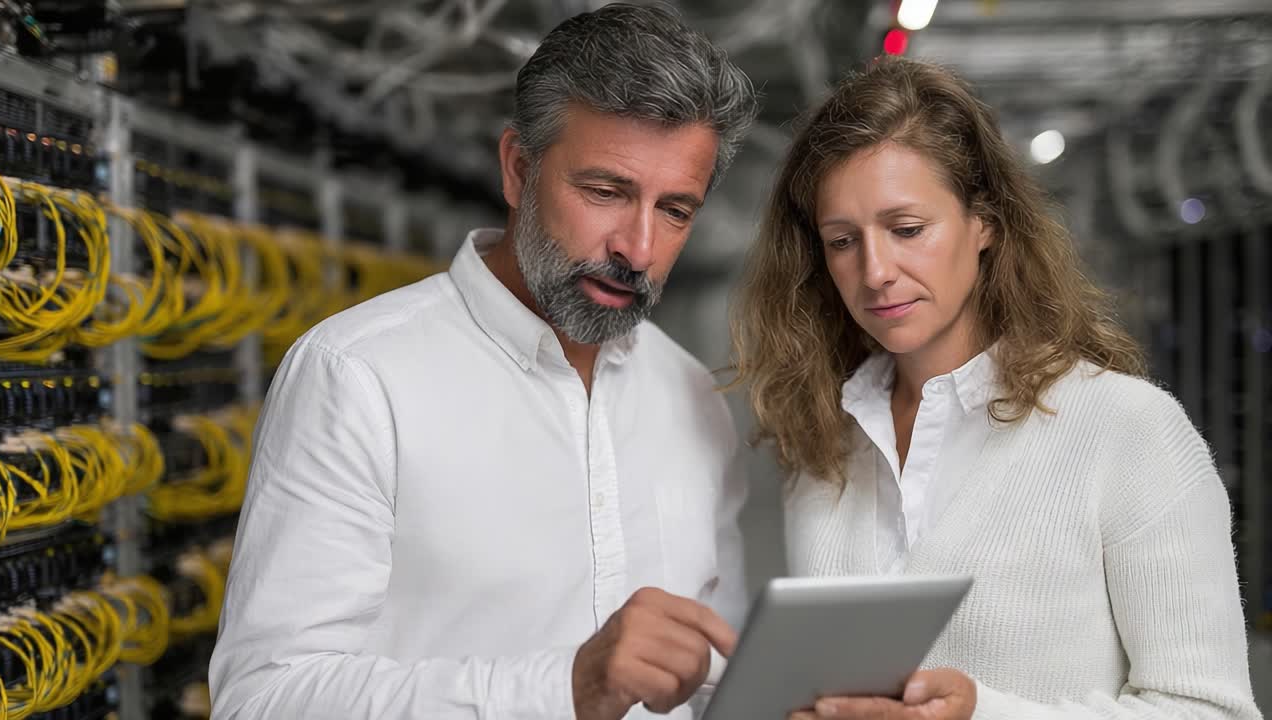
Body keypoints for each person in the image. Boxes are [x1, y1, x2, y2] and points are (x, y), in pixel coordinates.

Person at [208, 5, 759, 719]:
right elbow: (262, 699)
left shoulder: (692, 396)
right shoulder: (358, 379)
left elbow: (720, 673)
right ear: (518, 168)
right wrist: (564, 689)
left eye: (676, 210)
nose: (640, 248)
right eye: (606, 191)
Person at [730, 56, 1262, 720]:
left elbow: (1212, 712)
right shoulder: (823, 448)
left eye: (907, 230)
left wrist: (980, 713)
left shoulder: (1127, 429)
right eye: (842, 241)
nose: (876, 272)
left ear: (984, 222)